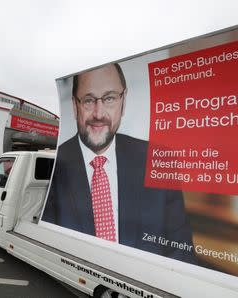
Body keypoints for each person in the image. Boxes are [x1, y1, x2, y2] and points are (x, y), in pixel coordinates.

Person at [43, 63, 196, 264]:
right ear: (74, 105)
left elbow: (181, 250)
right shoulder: (54, 165)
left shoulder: (158, 159)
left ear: (123, 102)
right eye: (88, 100)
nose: (99, 113)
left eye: (109, 98)